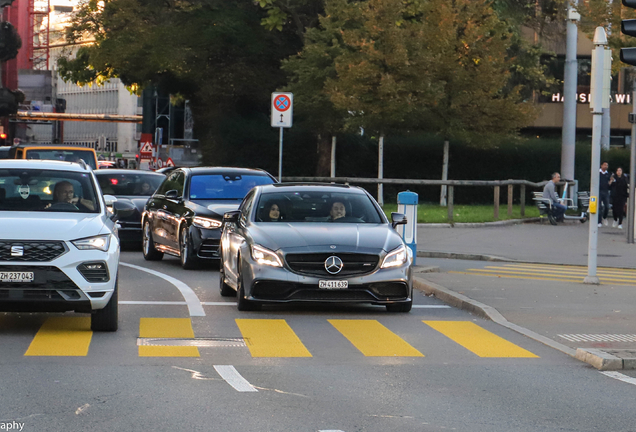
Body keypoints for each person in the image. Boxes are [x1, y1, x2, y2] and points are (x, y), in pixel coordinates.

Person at [599, 161, 612, 227]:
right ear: (601, 165)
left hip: (606, 191)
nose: (606, 166)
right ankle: (599, 221)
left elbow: (609, 185)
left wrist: (611, 182)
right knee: (599, 207)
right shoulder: (598, 173)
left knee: (607, 206)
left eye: (607, 165)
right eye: (604, 165)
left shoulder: (608, 174)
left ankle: (604, 217)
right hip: (599, 191)